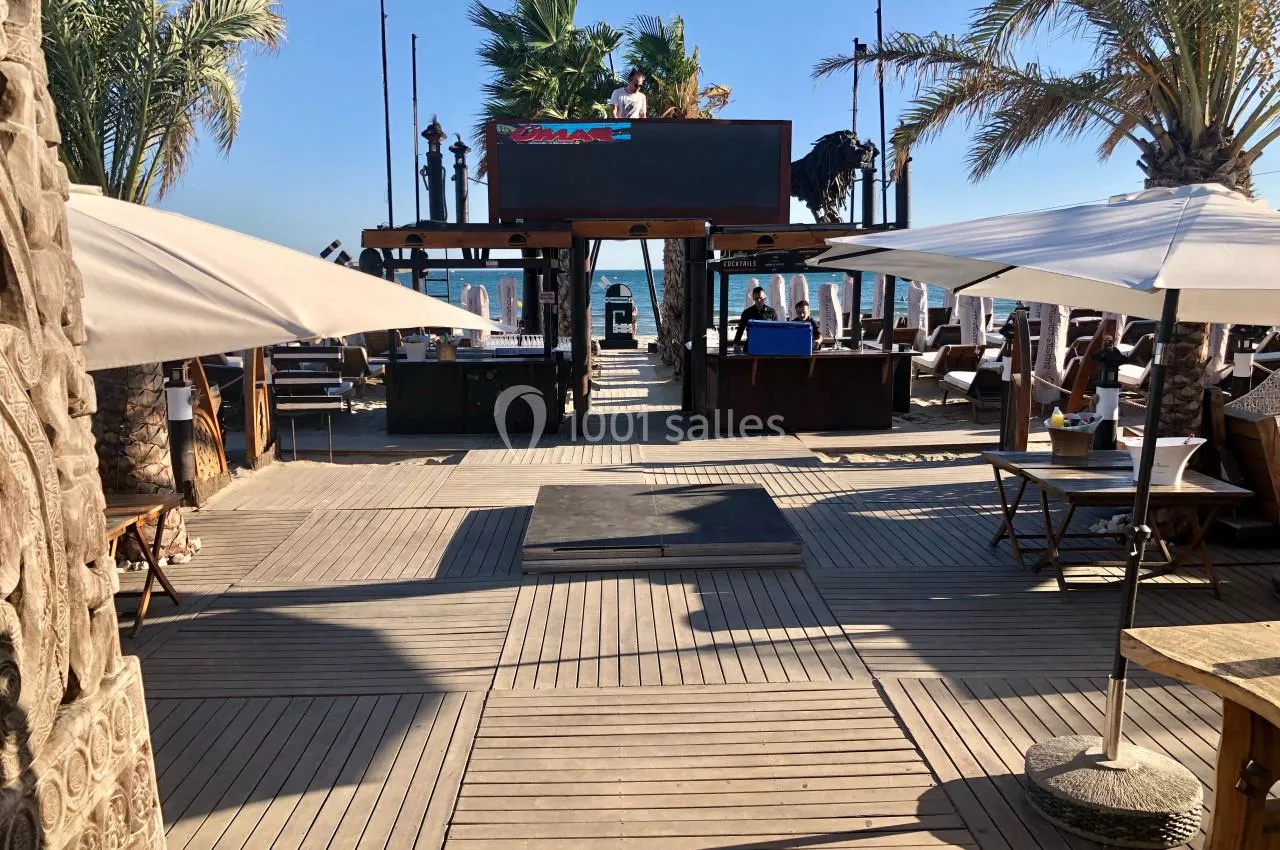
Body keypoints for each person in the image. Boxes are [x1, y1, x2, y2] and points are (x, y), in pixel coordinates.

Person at [733, 286, 777, 351]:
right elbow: (740, 329)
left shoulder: (771, 312)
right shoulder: (747, 312)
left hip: (767, 344)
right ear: (753, 298)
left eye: (761, 298)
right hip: (751, 344)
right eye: (756, 299)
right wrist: (736, 343)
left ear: (765, 297)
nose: (759, 300)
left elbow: (776, 330)